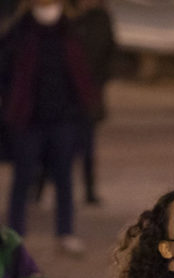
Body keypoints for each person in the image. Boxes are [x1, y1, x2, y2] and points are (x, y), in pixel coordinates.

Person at [0, 0, 97, 254]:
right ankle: (15, 233)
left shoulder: (72, 32)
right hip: (28, 121)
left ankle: (65, 232)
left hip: (64, 120)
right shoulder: (18, 32)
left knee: (64, 179)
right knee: (23, 178)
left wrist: (81, 112)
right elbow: (1, 74)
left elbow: (86, 72)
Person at [70, 0, 115, 204]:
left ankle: (89, 190)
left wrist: (96, 84)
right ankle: (39, 187)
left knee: (86, 145)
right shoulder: (69, 19)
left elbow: (109, 54)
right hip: (65, 94)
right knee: (57, 144)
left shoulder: (101, 20)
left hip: (88, 94)